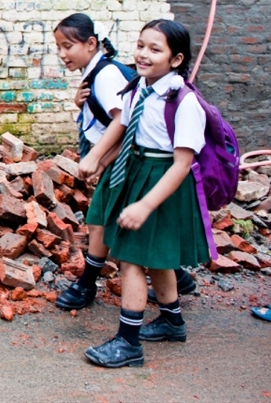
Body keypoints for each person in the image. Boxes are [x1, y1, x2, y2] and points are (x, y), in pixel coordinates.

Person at [77, 19, 211, 368]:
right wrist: (96, 156)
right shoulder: (141, 86)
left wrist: (146, 204)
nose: (142, 54)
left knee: (131, 257)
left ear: (176, 59)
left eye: (155, 49)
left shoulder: (184, 103)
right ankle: (171, 321)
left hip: (161, 179)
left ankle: (128, 342)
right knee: (156, 256)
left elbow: (182, 165)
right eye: (140, 45)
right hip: (135, 171)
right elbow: (121, 125)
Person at [51, 14, 196, 311]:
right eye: (140, 46)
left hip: (134, 164)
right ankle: (172, 294)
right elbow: (125, 121)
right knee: (107, 225)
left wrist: (98, 158)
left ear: (92, 44)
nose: (63, 54)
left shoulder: (110, 77)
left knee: (115, 236)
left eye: (68, 46)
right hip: (121, 162)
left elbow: (123, 124)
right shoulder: (130, 83)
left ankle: (94, 292)